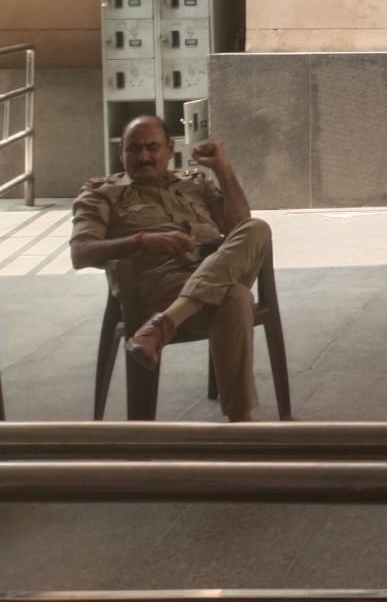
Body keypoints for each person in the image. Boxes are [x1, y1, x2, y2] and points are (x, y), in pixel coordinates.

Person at [70, 117, 272, 423]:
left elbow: (236, 225)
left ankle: (162, 326)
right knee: (236, 297)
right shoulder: (102, 193)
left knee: (256, 228)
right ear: (120, 152)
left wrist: (222, 169)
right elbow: (81, 252)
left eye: (152, 147)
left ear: (170, 149)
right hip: (159, 283)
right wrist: (142, 241)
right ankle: (241, 423)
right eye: (133, 149)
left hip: (208, 267)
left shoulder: (195, 183)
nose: (143, 156)